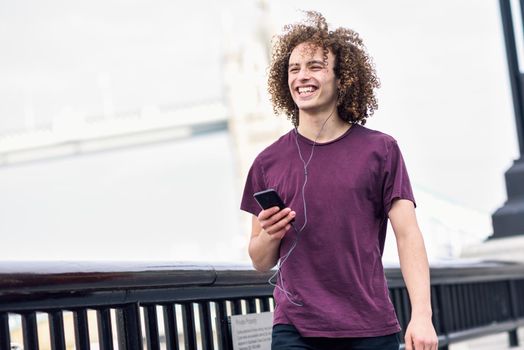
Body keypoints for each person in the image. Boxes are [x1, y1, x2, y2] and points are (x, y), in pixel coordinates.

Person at [240, 11, 438, 350]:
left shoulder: (381, 150)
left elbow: (407, 235)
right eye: (294, 69)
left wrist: (421, 315)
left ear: (341, 77)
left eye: (315, 66)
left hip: (370, 326)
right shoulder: (266, 162)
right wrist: (270, 234)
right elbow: (260, 260)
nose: (302, 76)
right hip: (296, 331)